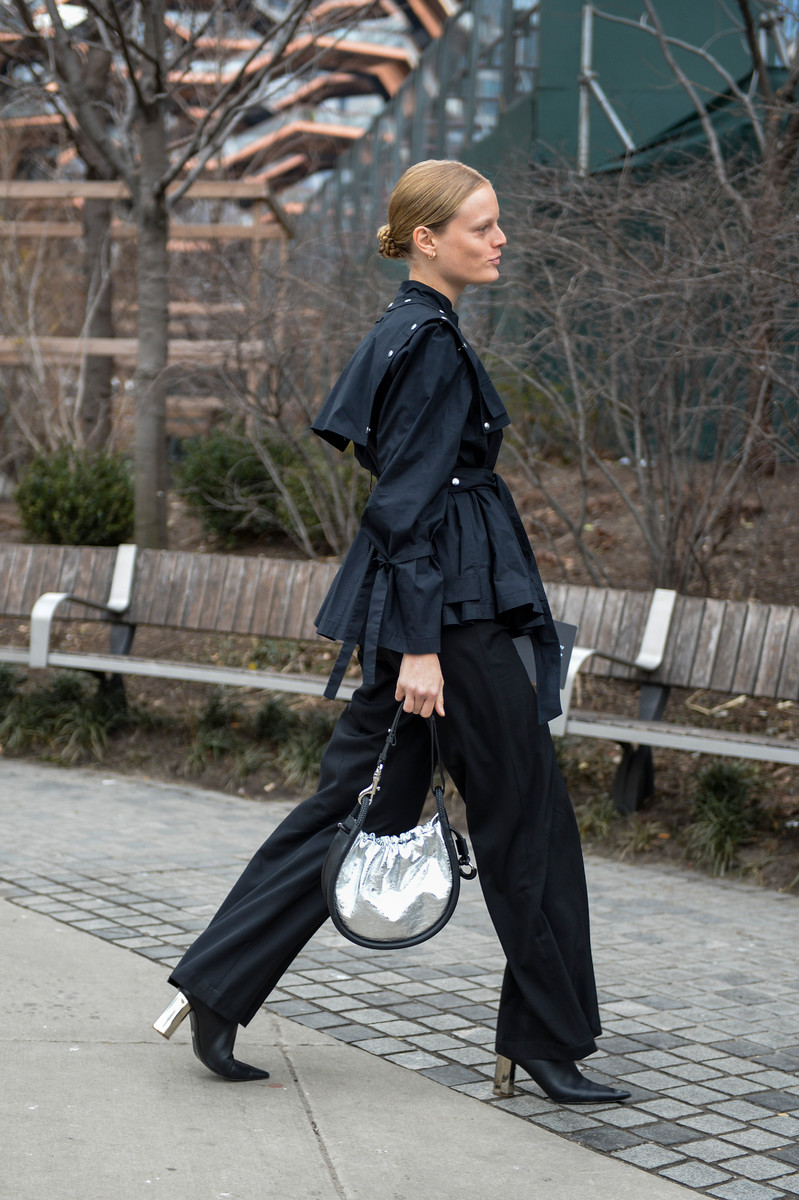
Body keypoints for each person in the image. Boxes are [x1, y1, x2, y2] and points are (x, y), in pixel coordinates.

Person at [153, 159, 630, 1106]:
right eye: (481, 226)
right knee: (526, 817)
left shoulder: (409, 330)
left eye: (497, 224)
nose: (499, 240)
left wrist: (413, 638)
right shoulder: (430, 344)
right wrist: (418, 648)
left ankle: (215, 988)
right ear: (426, 238)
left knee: (351, 810)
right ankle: (545, 1044)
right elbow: (405, 506)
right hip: (449, 623)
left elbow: (406, 499)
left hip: (433, 613)